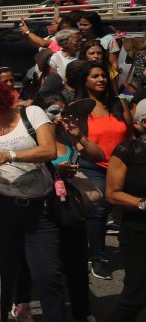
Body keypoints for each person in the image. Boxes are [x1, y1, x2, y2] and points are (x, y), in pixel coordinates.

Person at [0, 77, 66, 322]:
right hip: (0, 213)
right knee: (1, 278)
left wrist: (10, 155)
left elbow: (49, 150)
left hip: (40, 212)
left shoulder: (32, 113)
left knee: (47, 277)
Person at [66, 60, 130, 280]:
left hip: (122, 165)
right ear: (84, 80)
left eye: (103, 75)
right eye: (95, 76)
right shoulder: (78, 108)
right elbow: (75, 142)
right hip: (93, 166)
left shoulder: (118, 104)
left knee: (130, 208)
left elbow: (130, 135)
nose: (101, 79)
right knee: (99, 210)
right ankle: (98, 259)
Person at [106, 100, 146, 322]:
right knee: (136, 295)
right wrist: (143, 203)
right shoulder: (128, 150)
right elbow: (112, 194)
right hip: (139, 232)